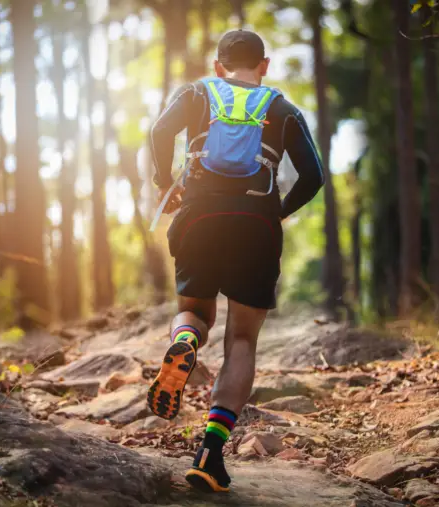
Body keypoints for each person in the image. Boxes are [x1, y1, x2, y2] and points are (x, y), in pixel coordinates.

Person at [146, 29, 325, 493]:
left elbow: (160, 130)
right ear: (263, 65)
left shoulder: (197, 92)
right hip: (255, 225)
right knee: (242, 339)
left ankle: (184, 341)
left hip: (198, 215)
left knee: (194, 311)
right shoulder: (282, 108)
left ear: (218, 65)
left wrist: (164, 181)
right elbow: (314, 176)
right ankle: (210, 452)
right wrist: (275, 212)